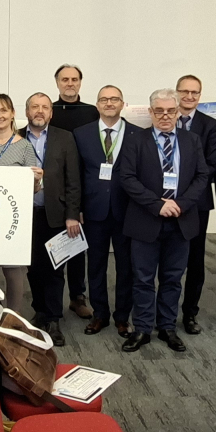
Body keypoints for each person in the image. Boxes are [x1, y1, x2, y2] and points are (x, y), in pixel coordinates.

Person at [116, 88, 211, 352]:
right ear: (151, 112)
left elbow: (202, 177)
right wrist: (158, 205)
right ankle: (143, 328)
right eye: (159, 111)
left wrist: (180, 204)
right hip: (145, 220)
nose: (165, 116)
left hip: (181, 220)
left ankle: (167, 327)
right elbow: (127, 178)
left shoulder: (192, 140)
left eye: (170, 110)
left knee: (172, 278)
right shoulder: (136, 140)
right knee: (143, 279)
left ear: (178, 112)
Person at [73, 85, 145, 336]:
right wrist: (77, 208)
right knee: (95, 265)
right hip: (94, 210)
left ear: (123, 104)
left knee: (126, 267)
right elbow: (77, 175)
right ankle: (100, 314)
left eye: (114, 99)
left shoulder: (138, 134)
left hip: (127, 211)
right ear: (97, 105)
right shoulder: (81, 134)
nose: (109, 103)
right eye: (104, 99)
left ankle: (122, 316)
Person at [23, 92, 82, 345]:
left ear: (51, 112)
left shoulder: (64, 138)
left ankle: (54, 319)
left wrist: (72, 215)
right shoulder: (16, 137)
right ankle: (40, 311)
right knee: (33, 268)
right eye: (34, 107)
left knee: (55, 269)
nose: (40, 111)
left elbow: (73, 180)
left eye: (44, 107)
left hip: (56, 215)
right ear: (27, 111)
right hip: (25, 215)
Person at [0, 94, 42, 315]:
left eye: (4, 110)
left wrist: (37, 180)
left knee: (13, 272)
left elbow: (33, 190)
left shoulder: (24, 147)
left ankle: (13, 319)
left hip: (12, 219)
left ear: (13, 113)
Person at [173, 74, 216, 335]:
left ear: (200, 96)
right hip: (165, 201)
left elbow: (212, 164)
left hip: (196, 203)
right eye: (184, 91)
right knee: (166, 259)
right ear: (177, 92)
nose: (189, 96)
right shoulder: (165, 118)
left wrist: (187, 190)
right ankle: (163, 311)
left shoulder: (209, 125)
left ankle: (190, 313)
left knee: (195, 260)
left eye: (194, 92)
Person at [49, 64, 98, 319]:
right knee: (53, 247)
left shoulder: (92, 112)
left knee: (78, 246)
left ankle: (78, 296)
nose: (70, 83)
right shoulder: (49, 110)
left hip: (82, 187)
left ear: (80, 82)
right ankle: (51, 300)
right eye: (65, 79)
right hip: (54, 188)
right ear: (57, 82)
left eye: (74, 79)